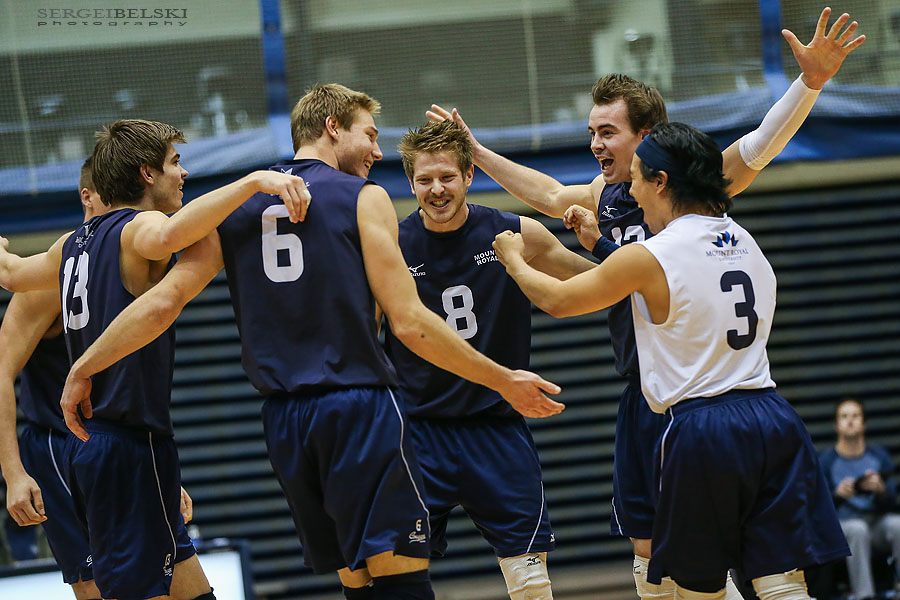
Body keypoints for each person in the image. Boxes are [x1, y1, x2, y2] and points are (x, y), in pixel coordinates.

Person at [52, 85, 563, 600]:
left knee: (356, 576)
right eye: (369, 134)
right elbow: (409, 323)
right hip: (357, 406)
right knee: (399, 574)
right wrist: (503, 378)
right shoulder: (365, 197)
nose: (377, 151)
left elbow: (163, 304)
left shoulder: (237, 208)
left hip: (285, 422)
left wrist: (85, 367)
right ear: (334, 127)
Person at [428, 7, 864, 598]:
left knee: (691, 566)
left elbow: (761, 143)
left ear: (648, 144)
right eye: (591, 132)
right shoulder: (618, 199)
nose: (595, 145)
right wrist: (476, 153)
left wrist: (810, 82)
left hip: (695, 395)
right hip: (656, 386)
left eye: (607, 133)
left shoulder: (693, 192)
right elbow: (553, 194)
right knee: (660, 551)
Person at [491, 121, 850, 600]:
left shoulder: (648, 255)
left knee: (698, 587)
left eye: (638, 176)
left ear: (662, 182)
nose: (631, 189)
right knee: (782, 581)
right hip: (773, 419)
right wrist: (600, 244)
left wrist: (513, 259)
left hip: (704, 426)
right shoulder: (745, 242)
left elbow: (558, 300)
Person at [0, 120, 310, 600]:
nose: (183, 173)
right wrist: (253, 180)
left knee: (187, 586)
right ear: (146, 174)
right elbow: (170, 235)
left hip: (125, 442)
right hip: (115, 439)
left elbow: (14, 272)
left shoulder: (68, 246)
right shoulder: (136, 226)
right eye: (175, 163)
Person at [382, 120, 595, 599]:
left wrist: (619, 253)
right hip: (419, 431)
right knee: (398, 575)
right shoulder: (391, 246)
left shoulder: (515, 232)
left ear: (468, 176)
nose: (436, 190)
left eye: (447, 177)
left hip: (496, 425)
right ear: (411, 183)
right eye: (424, 180)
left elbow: (596, 281)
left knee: (531, 579)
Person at [820, 398, 900, 600]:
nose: (850, 421)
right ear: (836, 425)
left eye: (855, 416)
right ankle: (865, 596)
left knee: (897, 524)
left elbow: (891, 502)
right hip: (844, 527)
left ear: (863, 423)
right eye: (844, 416)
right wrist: (837, 495)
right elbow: (817, 508)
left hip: (875, 524)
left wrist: (881, 490)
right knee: (857, 529)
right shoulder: (827, 461)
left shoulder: (878, 456)